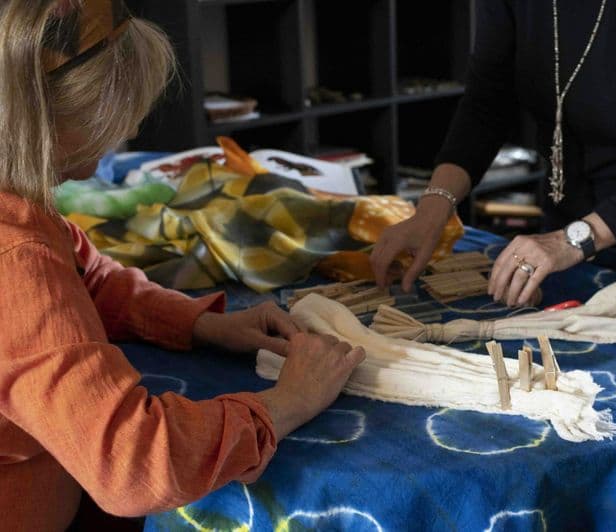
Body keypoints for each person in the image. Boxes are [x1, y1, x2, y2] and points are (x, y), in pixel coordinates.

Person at [0, 1, 364, 530]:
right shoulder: (15, 258)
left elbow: (87, 276)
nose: (103, 161)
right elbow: (131, 463)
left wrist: (200, 323)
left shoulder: (21, 210)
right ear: (44, 123)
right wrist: (287, 402)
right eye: (104, 133)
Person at [371, 0, 616, 325]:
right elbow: (486, 103)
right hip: (580, 211)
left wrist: (574, 238)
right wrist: (432, 209)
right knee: (562, 369)